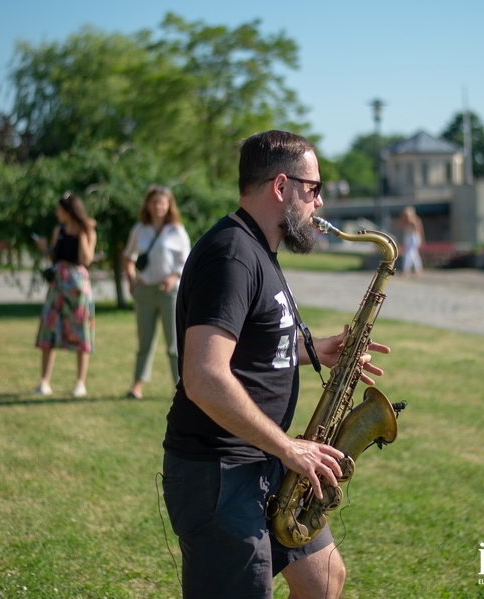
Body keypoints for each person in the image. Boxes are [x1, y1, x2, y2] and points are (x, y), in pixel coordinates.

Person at [161, 130, 390, 599]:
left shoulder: (257, 247)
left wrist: (315, 349)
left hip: (262, 465)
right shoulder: (232, 255)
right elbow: (204, 376)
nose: (320, 203)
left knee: (325, 578)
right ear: (282, 187)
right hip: (220, 473)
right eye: (314, 188)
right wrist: (290, 447)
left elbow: (250, 345)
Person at [122, 186, 191, 399]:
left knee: (173, 343)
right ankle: (137, 387)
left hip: (168, 292)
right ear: (148, 205)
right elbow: (128, 256)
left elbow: (186, 261)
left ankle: (179, 387)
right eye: (155, 202)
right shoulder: (139, 229)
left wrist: (173, 278)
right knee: (145, 342)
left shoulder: (176, 230)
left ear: (169, 205)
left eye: (162, 202)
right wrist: (132, 281)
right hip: (145, 291)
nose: (158, 206)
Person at [33, 192, 97, 397]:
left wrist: (83, 233)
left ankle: (80, 382)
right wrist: (45, 249)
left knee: (80, 330)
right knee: (49, 328)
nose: (56, 213)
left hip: (77, 285)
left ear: (69, 210)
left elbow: (86, 259)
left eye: (59, 209)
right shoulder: (58, 230)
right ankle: (44, 381)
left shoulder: (86, 231)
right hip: (57, 284)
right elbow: (55, 256)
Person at [396, 205, 425, 275]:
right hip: (407, 237)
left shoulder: (415, 220)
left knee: (409, 253)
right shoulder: (404, 221)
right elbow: (398, 226)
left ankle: (406, 269)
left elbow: (419, 231)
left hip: (413, 237)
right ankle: (418, 269)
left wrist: (422, 239)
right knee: (414, 254)